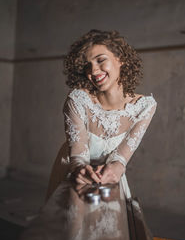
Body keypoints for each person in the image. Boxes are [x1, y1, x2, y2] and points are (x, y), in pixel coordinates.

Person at [46, 29, 157, 201]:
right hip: (73, 170)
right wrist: (79, 169)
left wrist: (115, 169)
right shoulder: (77, 100)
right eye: (87, 66)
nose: (94, 70)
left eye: (100, 60)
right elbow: (78, 153)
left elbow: (120, 159)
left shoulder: (145, 107)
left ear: (120, 60)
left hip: (109, 176)